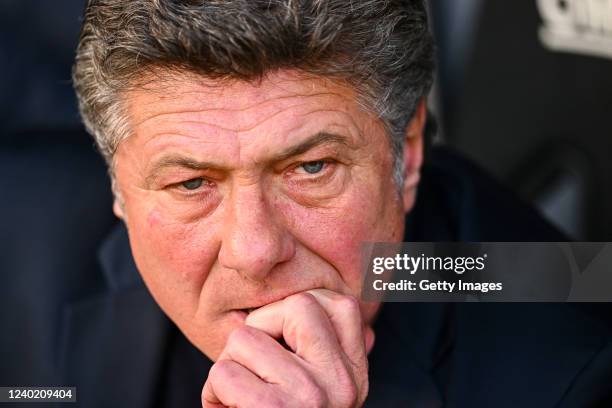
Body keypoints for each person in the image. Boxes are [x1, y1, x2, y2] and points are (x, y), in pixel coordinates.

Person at [65, 0, 612, 407]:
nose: (255, 252)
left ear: (410, 151)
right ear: (117, 181)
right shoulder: (19, 240)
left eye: (310, 168)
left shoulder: (577, 368)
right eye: (191, 183)